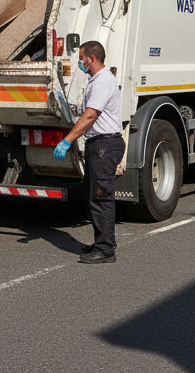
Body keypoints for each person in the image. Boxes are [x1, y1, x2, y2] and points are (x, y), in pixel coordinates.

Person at [54, 41, 124, 264]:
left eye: (82, 58)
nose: (80, 62)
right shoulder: (96, 80)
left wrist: (67, 140)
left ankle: (105, 250)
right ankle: (101, 242)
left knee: (101, 198)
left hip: (105, 145)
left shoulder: (102, 81)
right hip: (99, 145)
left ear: (92, 58)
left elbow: (91, 115)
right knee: (94, 196)